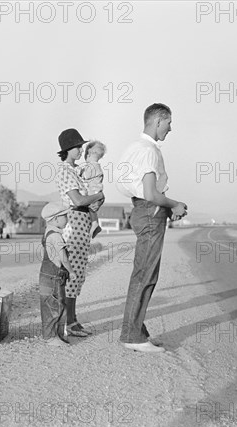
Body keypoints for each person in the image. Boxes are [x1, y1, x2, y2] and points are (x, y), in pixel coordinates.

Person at [116, 103, 187, 353]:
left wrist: (166, 208)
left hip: (142, 210)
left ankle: (137, 329)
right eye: (169, 122)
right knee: (145, 275)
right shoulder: (149, 151)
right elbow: (150, 193)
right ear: (158, 121)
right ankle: (132, 335)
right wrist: (175, 204)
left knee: (143, 273)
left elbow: (139, 190)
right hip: (149, 211)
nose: (171, 127)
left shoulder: (134, 148)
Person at [54, 128, 105, 337]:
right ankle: (68, 322)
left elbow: (89, 198)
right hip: (73, 222)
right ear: (68, 148)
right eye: (77, 146)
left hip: (82, 222)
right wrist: (98, 196)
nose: (80, 149)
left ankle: (71, 320)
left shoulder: (78, 170)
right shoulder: (65, 170)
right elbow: (78, 200)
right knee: (72, 274)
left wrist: (96, 200)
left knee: (78, 274)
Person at [39, 202, 77, 347]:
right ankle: (51, 337)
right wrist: (71, 271)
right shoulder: (56, 236)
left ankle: (56, 334)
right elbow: (64, 258)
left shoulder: (47, 232)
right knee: (56, 306)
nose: (67, 218)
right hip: (54, 277)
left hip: (45, 274)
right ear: (55, 219)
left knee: (50, 305)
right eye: (64, 216)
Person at [78, 140, 106, 239]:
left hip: (93, 191)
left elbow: (85, 175)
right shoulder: (97, 166)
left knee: (91, 207)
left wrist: (79, 172)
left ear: (90, 154)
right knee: (92, 209)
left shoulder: (92, 166)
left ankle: (95, 223)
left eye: (86, 155)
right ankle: (95, 223)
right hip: (97, 191)